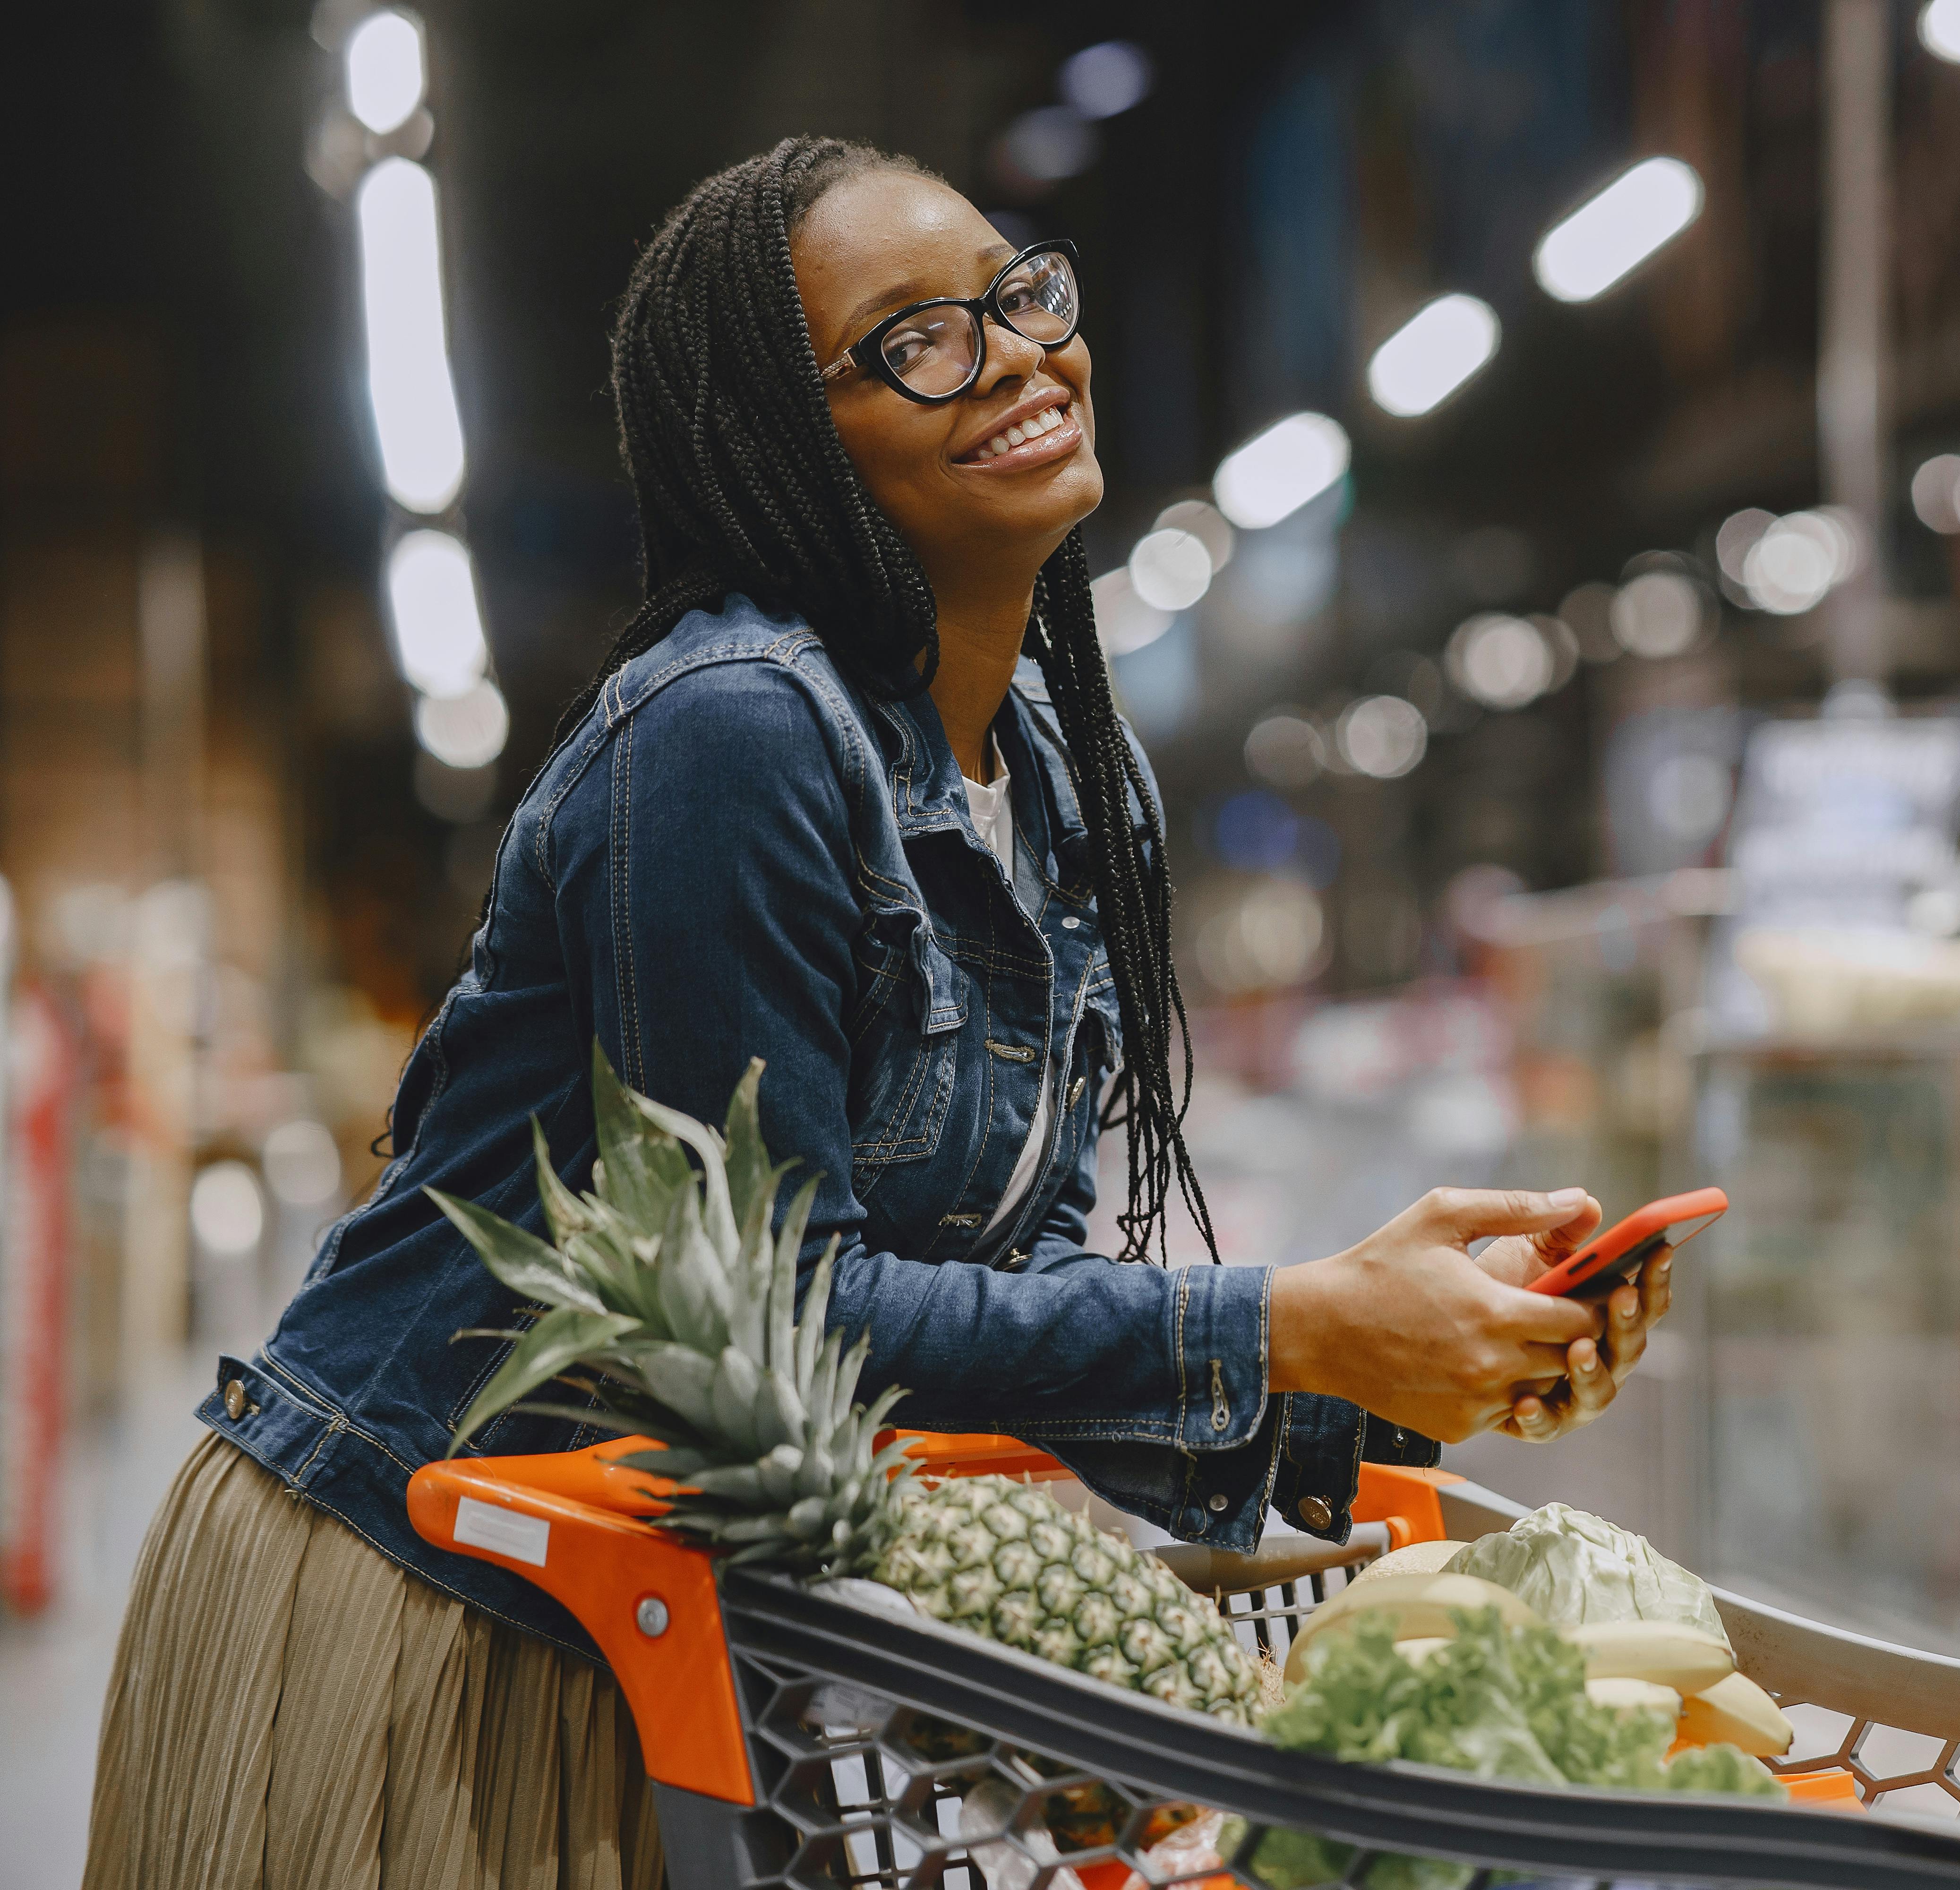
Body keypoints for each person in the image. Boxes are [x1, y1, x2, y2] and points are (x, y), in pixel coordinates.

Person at [84, 139, 1664, 1890]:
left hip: (681, 1603)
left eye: (1018, 295)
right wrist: (1286, 1323)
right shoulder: (730, 733)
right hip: (437, 1573)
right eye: (914, 339)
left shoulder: (1073, 785)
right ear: (780, 436)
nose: (1012, 355)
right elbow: (782, 1300)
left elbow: (1004, 1286)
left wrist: (1385, 1346)